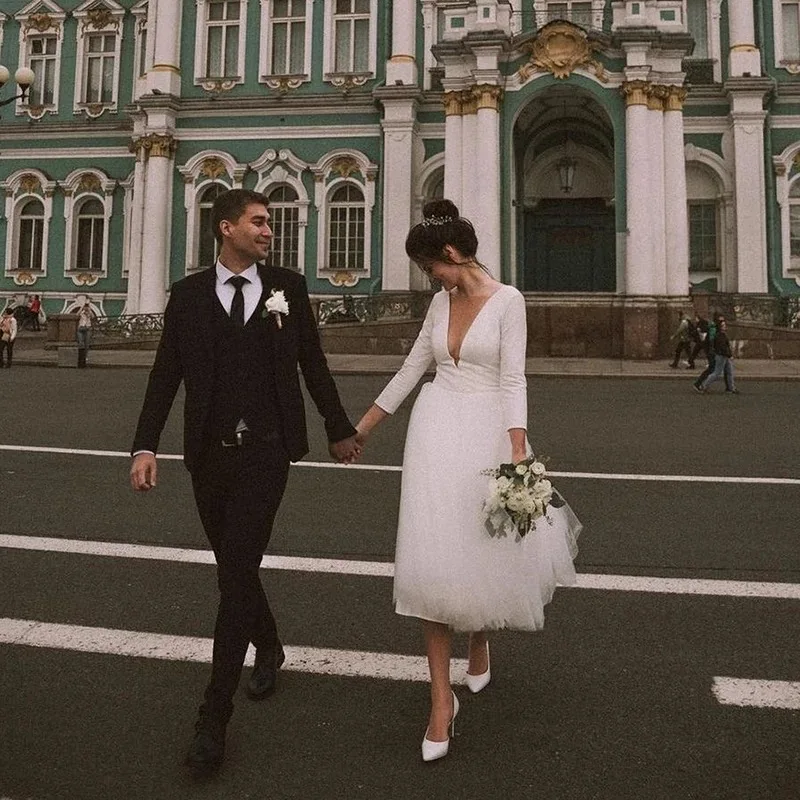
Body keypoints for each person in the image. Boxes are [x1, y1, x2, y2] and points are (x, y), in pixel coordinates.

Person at [129, 188, 361, 774]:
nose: (268, 230)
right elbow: (165, 375)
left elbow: (313, 363)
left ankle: (213, 720)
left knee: (234, 576)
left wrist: (338, 426)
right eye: (258, 222)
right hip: (208, 455)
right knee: (235, 565)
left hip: (267, 452)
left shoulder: (288, 288)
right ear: (226, 228)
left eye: (270, 223)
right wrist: (144, 444)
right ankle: (271, 643)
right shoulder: (185, 297)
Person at [354, 200, 582, 762]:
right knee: (433, 559)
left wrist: (517, 446)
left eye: (432, 267)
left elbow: (514, 377)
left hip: (485, 433)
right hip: (435, 431)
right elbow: (412, 368)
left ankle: (480, 641)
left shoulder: (509, 301)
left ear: (451, 254)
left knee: (481, 550)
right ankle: (440, 702)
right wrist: (359, 429)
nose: (430, 278)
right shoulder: (439, 303)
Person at [698, 317, 738, 393]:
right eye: (723, 325)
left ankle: (731, 388)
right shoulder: (720, 336)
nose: (725, 326)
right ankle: (704, 385)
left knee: (729, 372)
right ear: (720, 327)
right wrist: (729, 355)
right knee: (717, 373)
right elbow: (723, 348)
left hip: (724, 355)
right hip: (721, 356)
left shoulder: (722, 335)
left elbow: (726, 347)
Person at [76, 302, 93, 368]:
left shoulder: (89, 312)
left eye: (87, 306)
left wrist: (90, 310)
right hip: (81, 328)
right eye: (85, 306)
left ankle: (85, 357)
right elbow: (77, 315)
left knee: (87, 344)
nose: (86, 308)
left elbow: (93, 316)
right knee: (81, 343)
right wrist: (81, 308)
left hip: (88, 329)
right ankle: (80, 358)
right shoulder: (81, 312)